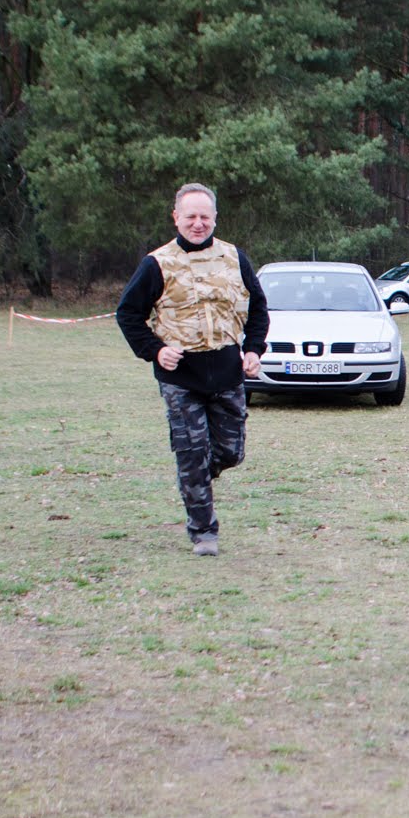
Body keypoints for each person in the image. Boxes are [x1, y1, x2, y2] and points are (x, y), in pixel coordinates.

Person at [117, 183, 269, 557]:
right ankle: (203, 532)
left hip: (227, 372)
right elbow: (128, 314)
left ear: (215, 218)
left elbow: (259, 309)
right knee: (191, 453)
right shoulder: (156, 263)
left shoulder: (235, 257)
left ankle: (196, 476)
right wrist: (156, 351)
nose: (198, 224)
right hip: (181, 377)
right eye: (190, 217)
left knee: (231, 452)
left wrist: (253, 349)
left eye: (204, 217)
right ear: (176, 218)